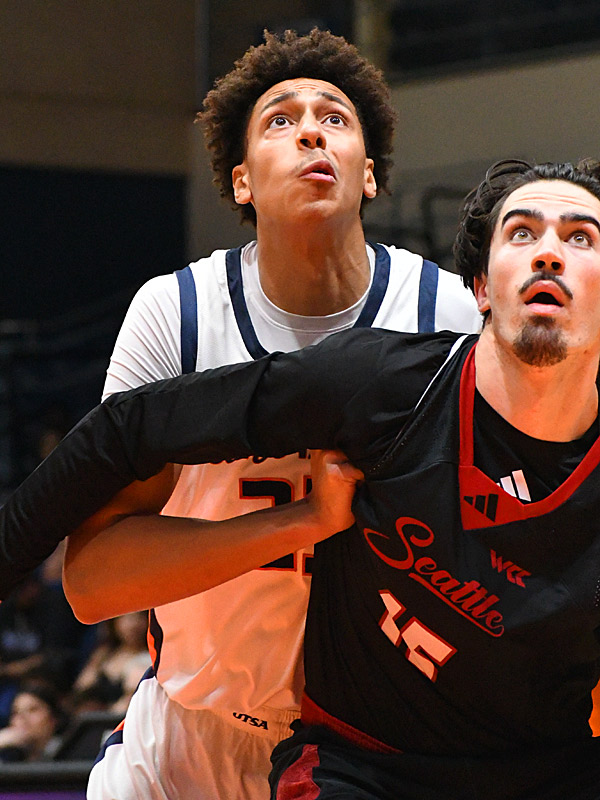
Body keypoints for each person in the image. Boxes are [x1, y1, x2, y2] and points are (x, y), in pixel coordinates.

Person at [2, 156, 600, 798]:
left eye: (580, 237)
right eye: (522, 233)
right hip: (366, 766)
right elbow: (129, 426)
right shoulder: (381, 386)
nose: (548, 253)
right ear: (479, 289)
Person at [42, 27, 478, 799]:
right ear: (241, 182)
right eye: (280, 119)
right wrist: (298, 522)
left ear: (368, 175)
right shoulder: (177, 313)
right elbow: (91, 582)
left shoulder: (443, 312)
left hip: (372, 750)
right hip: (188, 741)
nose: (311, 128)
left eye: (335, 118)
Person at [0, 683, 68, 762]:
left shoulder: (69, 750)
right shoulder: (8, 755)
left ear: (53, 718)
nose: (22, 718)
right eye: (16, 712)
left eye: (32, 710)